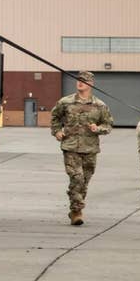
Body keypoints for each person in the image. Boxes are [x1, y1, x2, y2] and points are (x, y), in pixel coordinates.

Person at [49, 71, 113, 225]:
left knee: (84, 182)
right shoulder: (66, 102)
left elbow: (108, 125)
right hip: (70, 146)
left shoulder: (100, 105)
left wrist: (97, 129)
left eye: (84, 80)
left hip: (90, 149)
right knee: (76, 177)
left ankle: (74, 208)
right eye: (78, 80)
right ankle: (77, 211)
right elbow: (55, 117)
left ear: (91, 83)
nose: (80, 82)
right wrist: (57, 131)